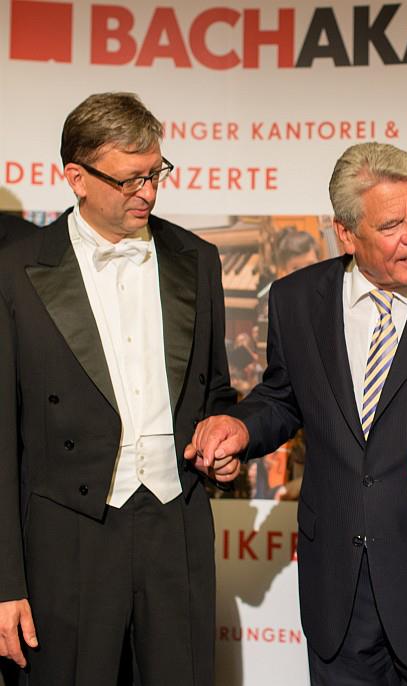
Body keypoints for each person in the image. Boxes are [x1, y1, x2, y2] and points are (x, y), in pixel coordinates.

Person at [187, 142, 407, 685]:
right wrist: (241, 426)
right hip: (339, 598)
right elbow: (282, 397)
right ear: (346, 234)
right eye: (393, 224)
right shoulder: (296, 299)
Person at [0, 92, 236, 686]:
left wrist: (223, 443)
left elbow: (215, 393)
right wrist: (5, 584)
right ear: (76, 178)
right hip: (67, 537)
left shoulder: (197, 259)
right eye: (130, 179)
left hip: (176, 526)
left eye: (156, 173)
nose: (148, 193)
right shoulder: (16, 271)